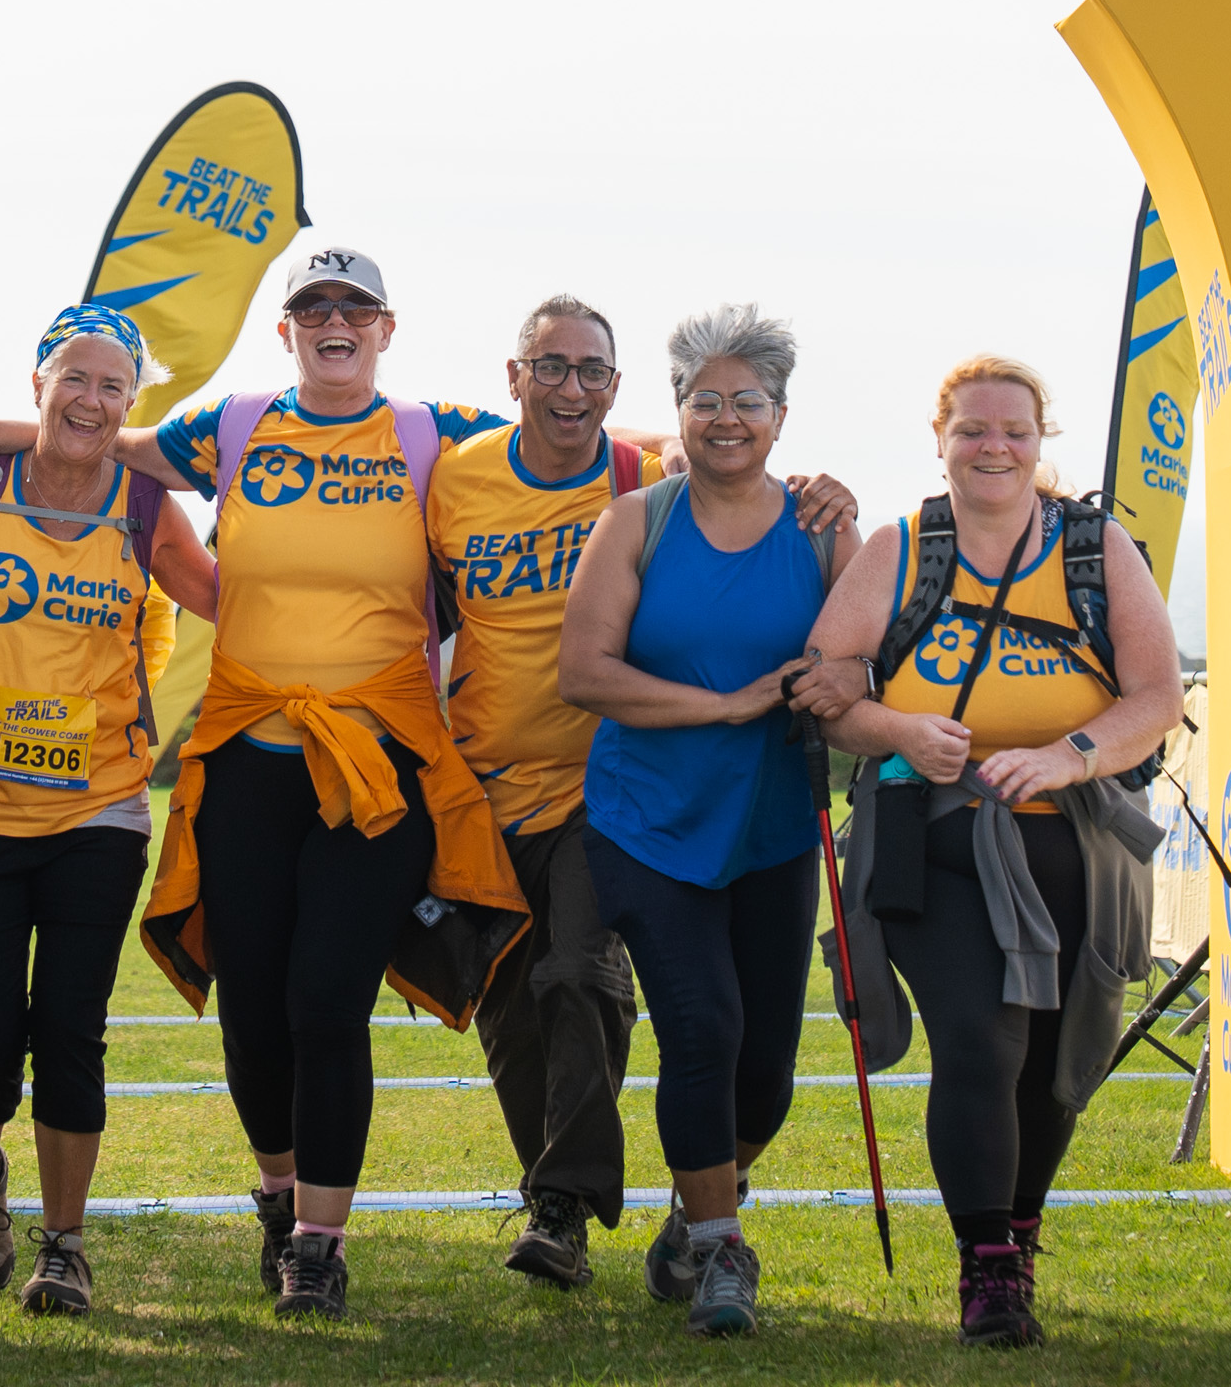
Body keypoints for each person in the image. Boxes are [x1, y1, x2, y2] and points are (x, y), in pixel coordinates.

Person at [0, 247, 596, 1321]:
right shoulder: (233, 424)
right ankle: (275, 1193)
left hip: (378, 766)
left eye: (356, 307)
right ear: (287, 331)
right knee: (252, 1008)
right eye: (315, 306)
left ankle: (319, 1241)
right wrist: (2, 426)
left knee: (325, 999)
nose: (335, 319)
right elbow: (101, 437)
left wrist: (721, 448)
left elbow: (581, 442)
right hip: (250, 758)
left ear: (388, 329)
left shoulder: (435, 429)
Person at [432, 294, 853, 1291]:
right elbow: (560, 659)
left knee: (693, 1033)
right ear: (514, 375)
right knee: (573, 1010)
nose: (569, 386)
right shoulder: (501, 486)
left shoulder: (755, 504)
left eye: (590, 371)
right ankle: (665, 1227)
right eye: (551, 366)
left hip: (692, 806)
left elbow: (858, 654)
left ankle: (635, 1206)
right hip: (560, 797)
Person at [793, 355, 1178, 1350]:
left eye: (1013, 428)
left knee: (1055, 1065)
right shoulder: (903, 547)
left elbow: (1156, 699)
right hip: (934, 841)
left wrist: (1065, 754)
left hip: (1078, 850)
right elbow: (825, 686)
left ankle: (1021, 1226)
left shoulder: (1096, 549)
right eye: (971, 428)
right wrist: (899, 729)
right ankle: (989, 1269)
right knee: (983, 1036)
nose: (992, 445)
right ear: (939, 437)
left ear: (1041, 438)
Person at [0, 303, 218, 1316]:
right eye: (75, 377)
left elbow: (233, 597)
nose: (93, 399)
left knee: (69, 1028)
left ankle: (65, 1244)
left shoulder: (147, 507)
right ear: (37, 384)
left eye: (113, 385)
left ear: (132, 401)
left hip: (99, 810)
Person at [555, 303, 858, 1338]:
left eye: (747, 401)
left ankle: (695, 1215)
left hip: (772, 826)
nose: (725, 417)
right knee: (703, 1025)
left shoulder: (824, 527)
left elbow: (854, 663)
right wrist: (726, 704)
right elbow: (584, 671)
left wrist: (835, 688)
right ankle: (728, 1253)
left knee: (765, 1069)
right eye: (704, 399)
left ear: (779, 414)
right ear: (676, 409)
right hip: (647, 821)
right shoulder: (635, 519)